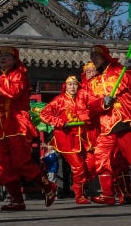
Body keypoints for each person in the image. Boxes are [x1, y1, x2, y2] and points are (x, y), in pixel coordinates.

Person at [81, 44, 131, 207]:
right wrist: (102, 103)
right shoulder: (92, 83)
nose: (94, 59)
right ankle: (108, 194)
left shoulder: (119, 71)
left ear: (105, 56)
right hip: (106, 127)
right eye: (92, 57)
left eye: (96, 56)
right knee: (101, 159)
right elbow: (90, 106)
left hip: (124, 122)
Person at [0, 47, 58, 212]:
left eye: (7, 55)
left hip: (17, 126)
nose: (3, 58)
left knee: (21, 163)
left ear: (15, 60)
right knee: (3, 167)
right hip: (0, 128)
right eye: (1, 55)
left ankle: (49, 187)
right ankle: (17, 200)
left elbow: (12, 93)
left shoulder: (19, 75)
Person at [39, 76, 93, 204]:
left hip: (83, 138)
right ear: (65, 87)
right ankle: (79, 196)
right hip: (66, 139)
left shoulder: (82, 99)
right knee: (78, 166)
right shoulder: (59, 100)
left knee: (91, 165)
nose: (73, 87)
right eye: (70, 84)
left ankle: (79, 189)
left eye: (75, 84)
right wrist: (61, 122)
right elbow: (44, 114)